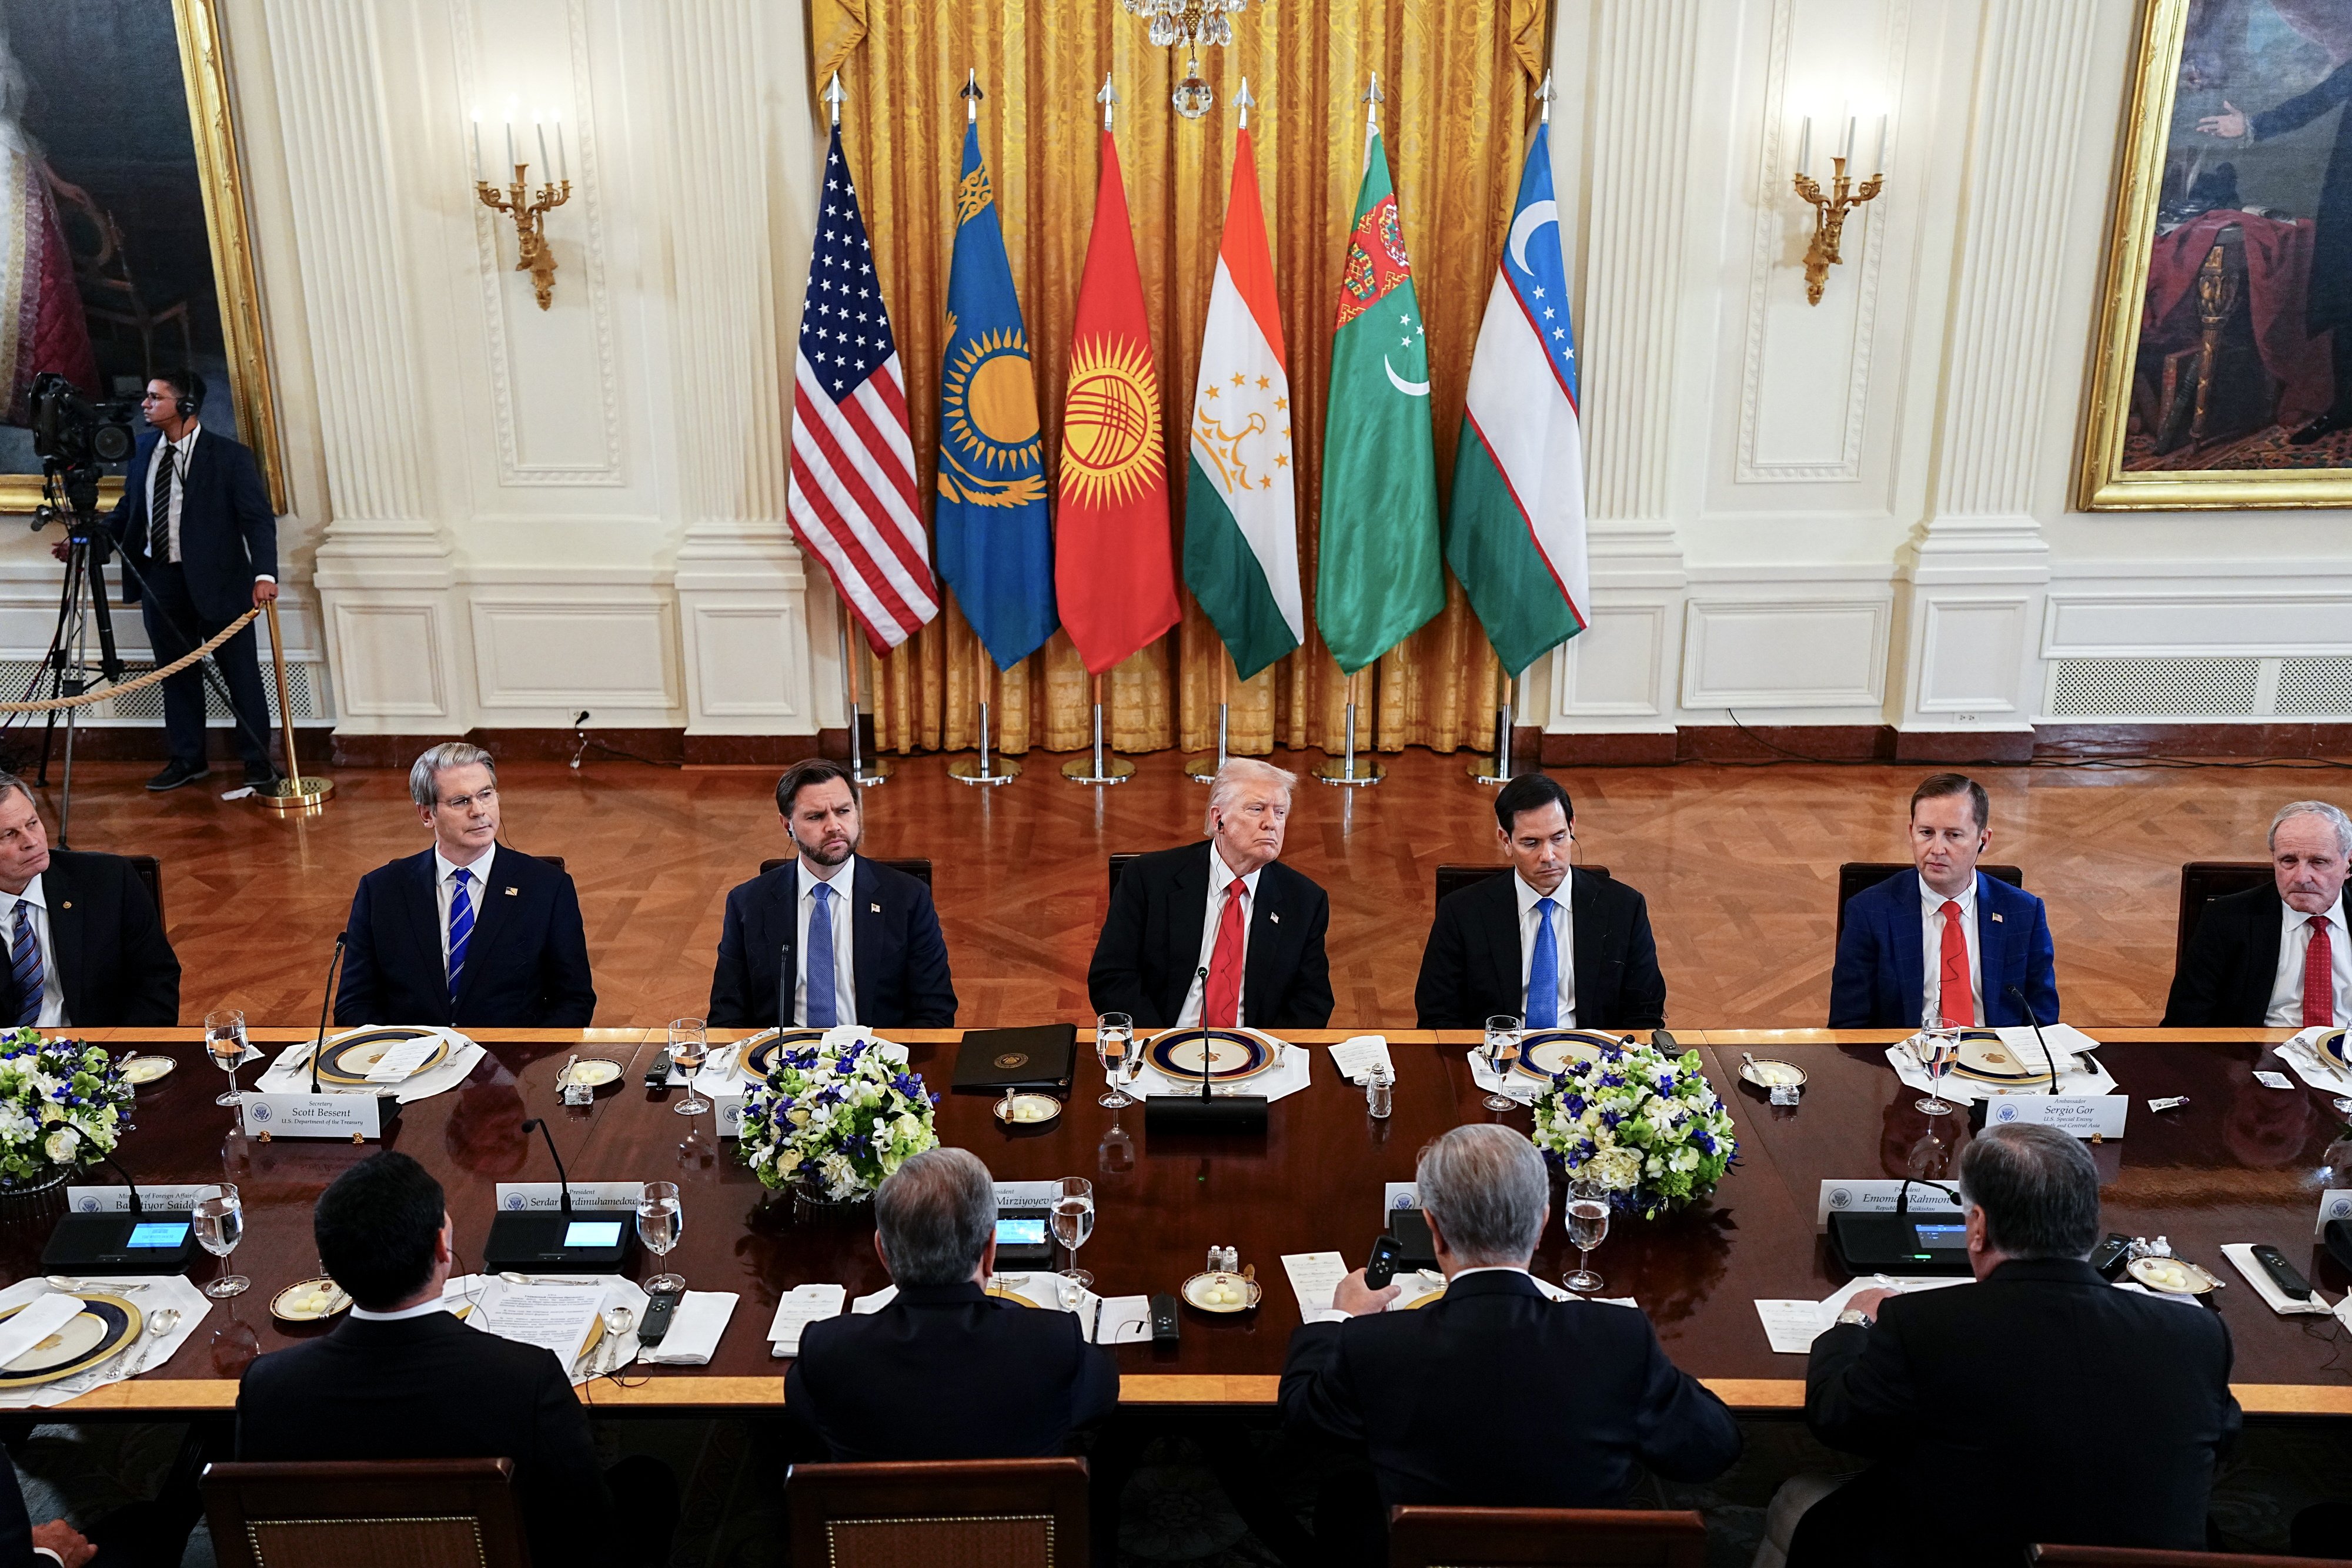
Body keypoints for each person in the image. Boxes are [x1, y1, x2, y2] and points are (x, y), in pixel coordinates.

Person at [1764, 1123, 2240, 1568]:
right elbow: (2220, 1441)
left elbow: (1837, 1417)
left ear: (1977, 1226)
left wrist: (1853, 1320)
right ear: (2090, 1225)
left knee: (1798, 1500)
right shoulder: (2197, 1335)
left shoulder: (1922, 1324)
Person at [1281, 1124, 1739, 1536]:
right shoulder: (1619, 1338)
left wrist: (1337, 1317)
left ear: (1434, 1230)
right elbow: (1712, 1447)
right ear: (1542, 1224)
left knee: (1345, 1497)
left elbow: (1303, 1414)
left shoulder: (1376, 1345)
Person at [235, 1152, 674, 1568]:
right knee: (648, 1482)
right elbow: (586, 1529)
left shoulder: (266, 1388)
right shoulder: (524, 1379)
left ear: (329, 1267)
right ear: (442, 1249)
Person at [786, 1147, 1116, 1459]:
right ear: (990, 1252)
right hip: (1015, 1518)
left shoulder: (827, 1351)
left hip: (884, 1517)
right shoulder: (1054, 1343)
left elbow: (806, 1413)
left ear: (883, 1253)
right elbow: (1101, 1397)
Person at [75, 370, 279, 792]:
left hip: (222, 583)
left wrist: (264, 575)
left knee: (240, 675)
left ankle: (258, 762)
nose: (145, 405)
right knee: (176, 673)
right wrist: (92, 539)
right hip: (161, 580)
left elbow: (257, 522)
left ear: (185, 406)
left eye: (155, 397)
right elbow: (131, 510)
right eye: (147, 397)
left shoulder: (230, 457)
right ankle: (188, 758)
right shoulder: (144, 449)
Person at [335, 743, 594, 1027]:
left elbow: (574, 1000)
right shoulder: (381, 891)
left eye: (486, 795)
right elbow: (354, 1004)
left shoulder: (548, 888)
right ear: (426, 814)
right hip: (410, 1062)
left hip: (509, 1063)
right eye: (460, 801)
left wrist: (525, 1063)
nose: (479, 811)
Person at [706, 758, 955, 1028]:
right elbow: (726, 1017)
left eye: (843, 811)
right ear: (787, 824)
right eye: (816, 816)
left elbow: (934, 1012)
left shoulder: (908, 898)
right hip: (779, 1059)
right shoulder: (747, 904)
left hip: (876, 1058)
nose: (834, 826)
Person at [1087, 757, 1332, 1028]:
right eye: (1257, 809)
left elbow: (1312, 1000)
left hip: (1257, 1052)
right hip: (1163, 1043)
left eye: (1280, 813)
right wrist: (1157, 1045)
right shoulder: (1148, 878)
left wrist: (1267, 1054)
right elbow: (1112, 977)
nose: (1271, 823)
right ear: (1219, 820)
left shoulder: (1305, 901)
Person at [1413, 773, 1666, 1030]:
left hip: (1590, 1059)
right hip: (1497, 1058)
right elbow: (1437, 1015)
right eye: (1531, 843)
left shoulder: (1624, 908)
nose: (1548, 856)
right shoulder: (1461, 912)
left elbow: (1644, 1013)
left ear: (1572, 827)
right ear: (1506, 841)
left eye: (1558, 838)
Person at [1828, 773, 2059, 1029]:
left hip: (1997, 1058)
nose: (1937, 849)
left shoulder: (2024, 912)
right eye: (1926, 833)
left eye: (1953, 835)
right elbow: (1848, 1027)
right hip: (1905, 1059)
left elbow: (2044, 1024)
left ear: (1983, 840)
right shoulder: (1869, 911)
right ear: (1911, 832)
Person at [0, 773, 176, 1026]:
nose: (32, 842)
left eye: (32, 823)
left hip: (101, 1053)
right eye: (9, 834)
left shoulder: (109, 880)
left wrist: (126, 1056)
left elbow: (155, 980)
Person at [2164, 800, 2349, 1028]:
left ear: (2348, 864)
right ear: (2274, 859)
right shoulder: (2225, 919)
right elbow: (2185, 1021)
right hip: (2260, 1054)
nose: (2302, 877)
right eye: (2288, 861)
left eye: (2318, 862)